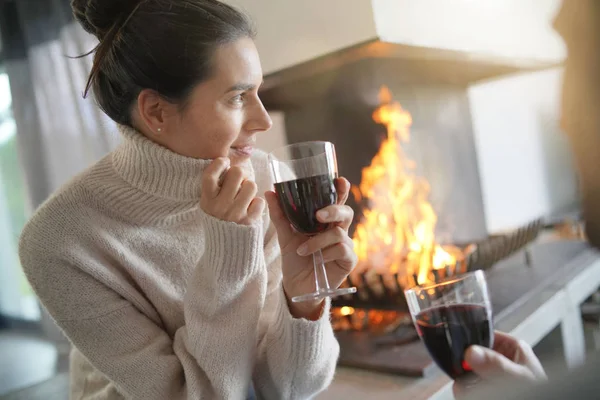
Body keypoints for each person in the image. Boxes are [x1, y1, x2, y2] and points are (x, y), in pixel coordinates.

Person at [18, 1, 359, 399]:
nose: (264, 120)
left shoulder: (267, 178)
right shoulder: (60, 242)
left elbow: (288, 388)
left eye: (258, 92)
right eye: (237, 97)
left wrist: (303, 298)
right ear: (156, 111)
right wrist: (229, 258)